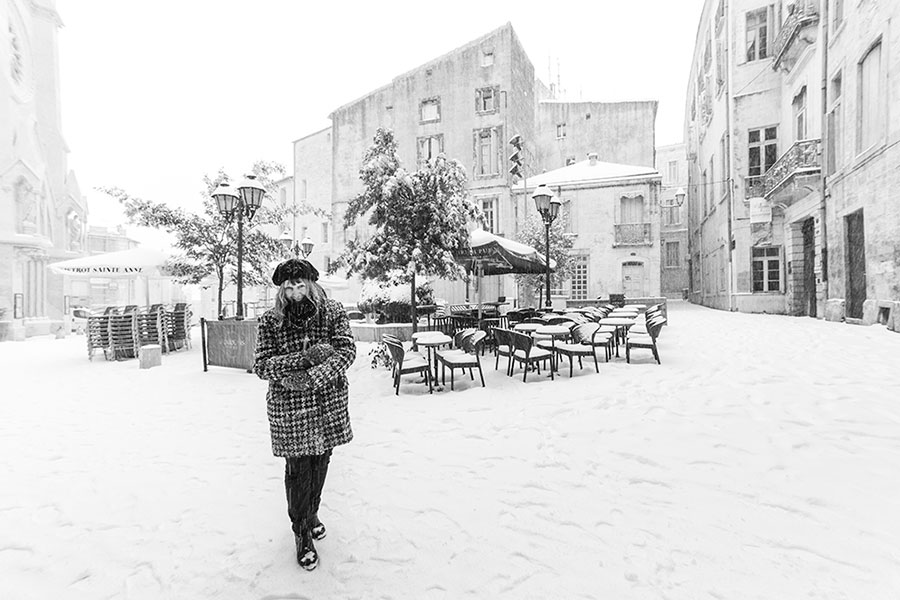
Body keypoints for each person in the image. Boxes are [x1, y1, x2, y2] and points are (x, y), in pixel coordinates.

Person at [253, 258, 356, 571]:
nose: (296, 293)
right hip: (290, 407)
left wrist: (314, 376)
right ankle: (301, 532)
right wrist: (303, 361)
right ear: (282, 289)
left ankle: (312, 513)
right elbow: (261, 364)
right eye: (289, 287)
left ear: (311, 284)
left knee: (321, 462)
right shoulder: (270, 321)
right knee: (298, 469)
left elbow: (346, 350)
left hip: (327, 402)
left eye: (301, 285)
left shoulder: (333, 311)